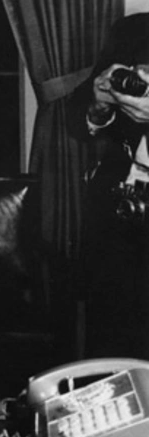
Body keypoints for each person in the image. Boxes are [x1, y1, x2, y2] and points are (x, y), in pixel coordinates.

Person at [68, 13, 149, 359]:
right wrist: (99, 105)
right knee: (110, 338)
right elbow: (79, 118)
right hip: (118, 209)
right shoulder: (133, 30)